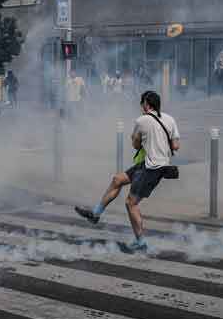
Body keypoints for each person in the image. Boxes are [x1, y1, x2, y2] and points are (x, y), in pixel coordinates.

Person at [74, 91, 180, 252]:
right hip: (149, 164)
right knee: (117, 180)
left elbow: (136, 145)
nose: (140, 106)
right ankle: (95, 214)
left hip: (152, 168)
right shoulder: (170, 119)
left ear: (146, 104)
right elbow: (176, 146)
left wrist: (140, 140)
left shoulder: (142, 120)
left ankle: (141, 242)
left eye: (141, 103)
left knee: (131, 203)